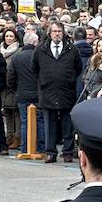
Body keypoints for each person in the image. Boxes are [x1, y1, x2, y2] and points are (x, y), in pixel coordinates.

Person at [35, 22, 83, 163]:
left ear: (63, 33)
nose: (57, 34)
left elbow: (78, 67)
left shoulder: (71, 49)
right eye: (54, 31)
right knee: (49, 124)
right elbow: (35, 68)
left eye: (59, 31)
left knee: (67, 124)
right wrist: (44, 80)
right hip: (47, 91)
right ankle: (51, 152)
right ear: (50, 33)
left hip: (66, 91)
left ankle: (67, 152)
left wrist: (69, 80)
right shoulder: (41, 49)